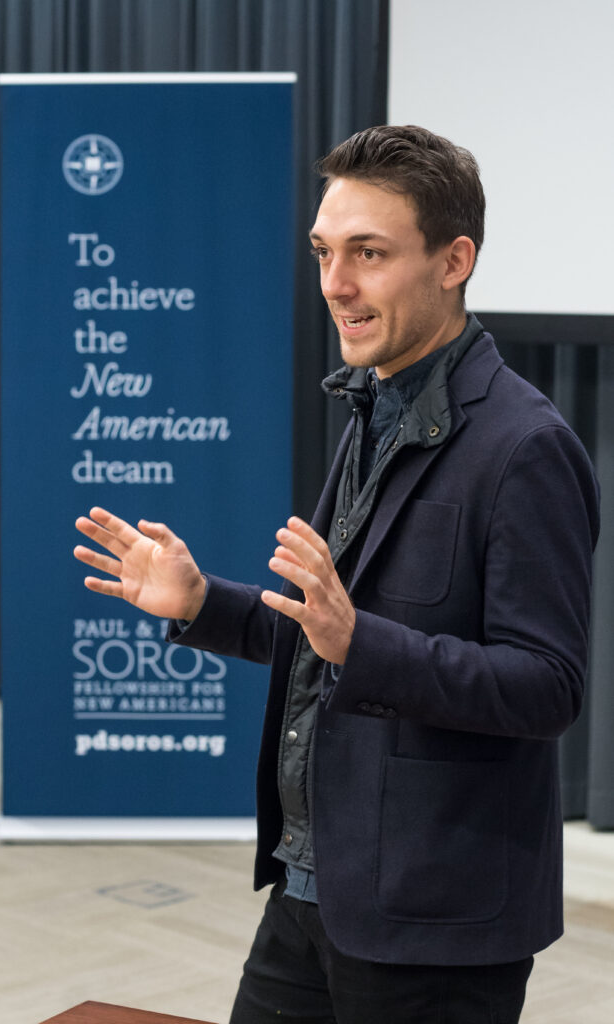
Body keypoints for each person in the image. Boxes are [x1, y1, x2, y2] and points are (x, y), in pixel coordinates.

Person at [74, 125, 600, 1024]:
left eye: (368, 254)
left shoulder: (525, 447)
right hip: (312, 886)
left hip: (434, 919)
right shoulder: (373, 406)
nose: (335, 285)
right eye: (324, 252)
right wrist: (202, 604)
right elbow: (321, 631)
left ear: (453, 259)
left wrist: (362, 641)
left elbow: (547, 687)